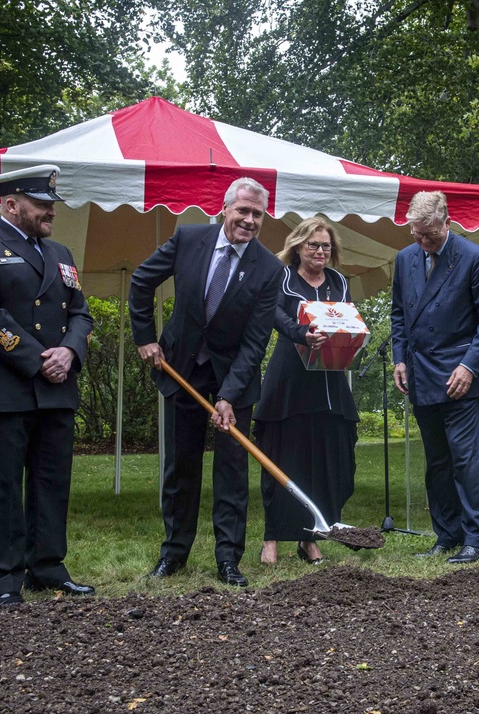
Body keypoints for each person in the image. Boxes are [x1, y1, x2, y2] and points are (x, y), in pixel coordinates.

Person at [0, 164, 94, 608]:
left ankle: (47, 567)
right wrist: (39, 360)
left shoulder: (62, 254)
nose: (50, 210)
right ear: (12, 205)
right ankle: (1, 577)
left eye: (51, 203)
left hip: (56, 387)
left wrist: (69, 352)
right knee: (3, 486)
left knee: (52, 483)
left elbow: (81, 313)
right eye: (41, 203)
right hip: (5, 386)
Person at [129, 177, 283, 587]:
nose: (249, 221)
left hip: (235, 374)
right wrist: (144, 336)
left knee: (232, 468)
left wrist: (229, 396)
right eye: (243, 211)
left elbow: (255, 342)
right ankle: (174, 553)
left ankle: (228, 558)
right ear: (225, 208)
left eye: (258, 215)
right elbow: (142, 281)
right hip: (182, 367)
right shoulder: (189, 239)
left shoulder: (269, 269)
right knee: (182, 463)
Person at [390, 191, 479, 564]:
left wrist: (469, 366)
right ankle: (446, 534)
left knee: (464, 458)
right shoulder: (405, 259)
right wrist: (399, 360)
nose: (423, 243)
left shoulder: (473, 258)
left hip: (458, 376)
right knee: (437, 460)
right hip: (420, 375)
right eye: (417, 235)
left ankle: (477, 538)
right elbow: (398, 317)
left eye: (431, 236)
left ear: (447, 223)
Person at [253, 217, 360, 565]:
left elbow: (346, 319)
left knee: (330, 458)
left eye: (326, 246)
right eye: (313, 244)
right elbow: (275, 316)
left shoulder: (339, 282)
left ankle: (311, 537)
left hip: (329, 381)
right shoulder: (281, 277)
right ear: (298, 246)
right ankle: (272, 536)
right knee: (283, 457)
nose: (320, 251)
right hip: (290, 381)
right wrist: (301, 333)